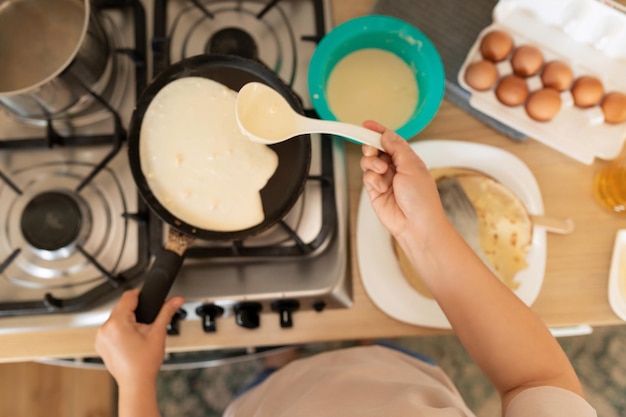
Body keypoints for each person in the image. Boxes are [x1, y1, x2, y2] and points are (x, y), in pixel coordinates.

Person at [95, 121, 597, 417]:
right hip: (403, 386)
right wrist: (423, 234)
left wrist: (136, 383)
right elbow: (538, 381)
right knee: (381, 357)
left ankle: (280, 364)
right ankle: (367, 349)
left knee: (280, 382)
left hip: (272, 408)